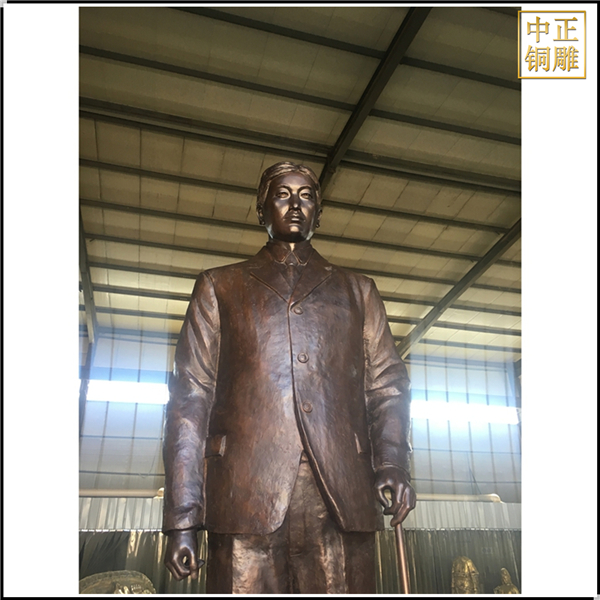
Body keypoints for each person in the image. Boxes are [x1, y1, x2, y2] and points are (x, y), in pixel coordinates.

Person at [162, 161, 416, 594]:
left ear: (319, 212)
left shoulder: (358, 291)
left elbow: (387, 386)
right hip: (244, 496)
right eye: (282, 194)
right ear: (261, 210)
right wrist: (183, 517)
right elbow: (190, 399)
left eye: (307, 196)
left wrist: (391, 461)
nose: (295, 204)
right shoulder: (220, 287)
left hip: (341, 496)